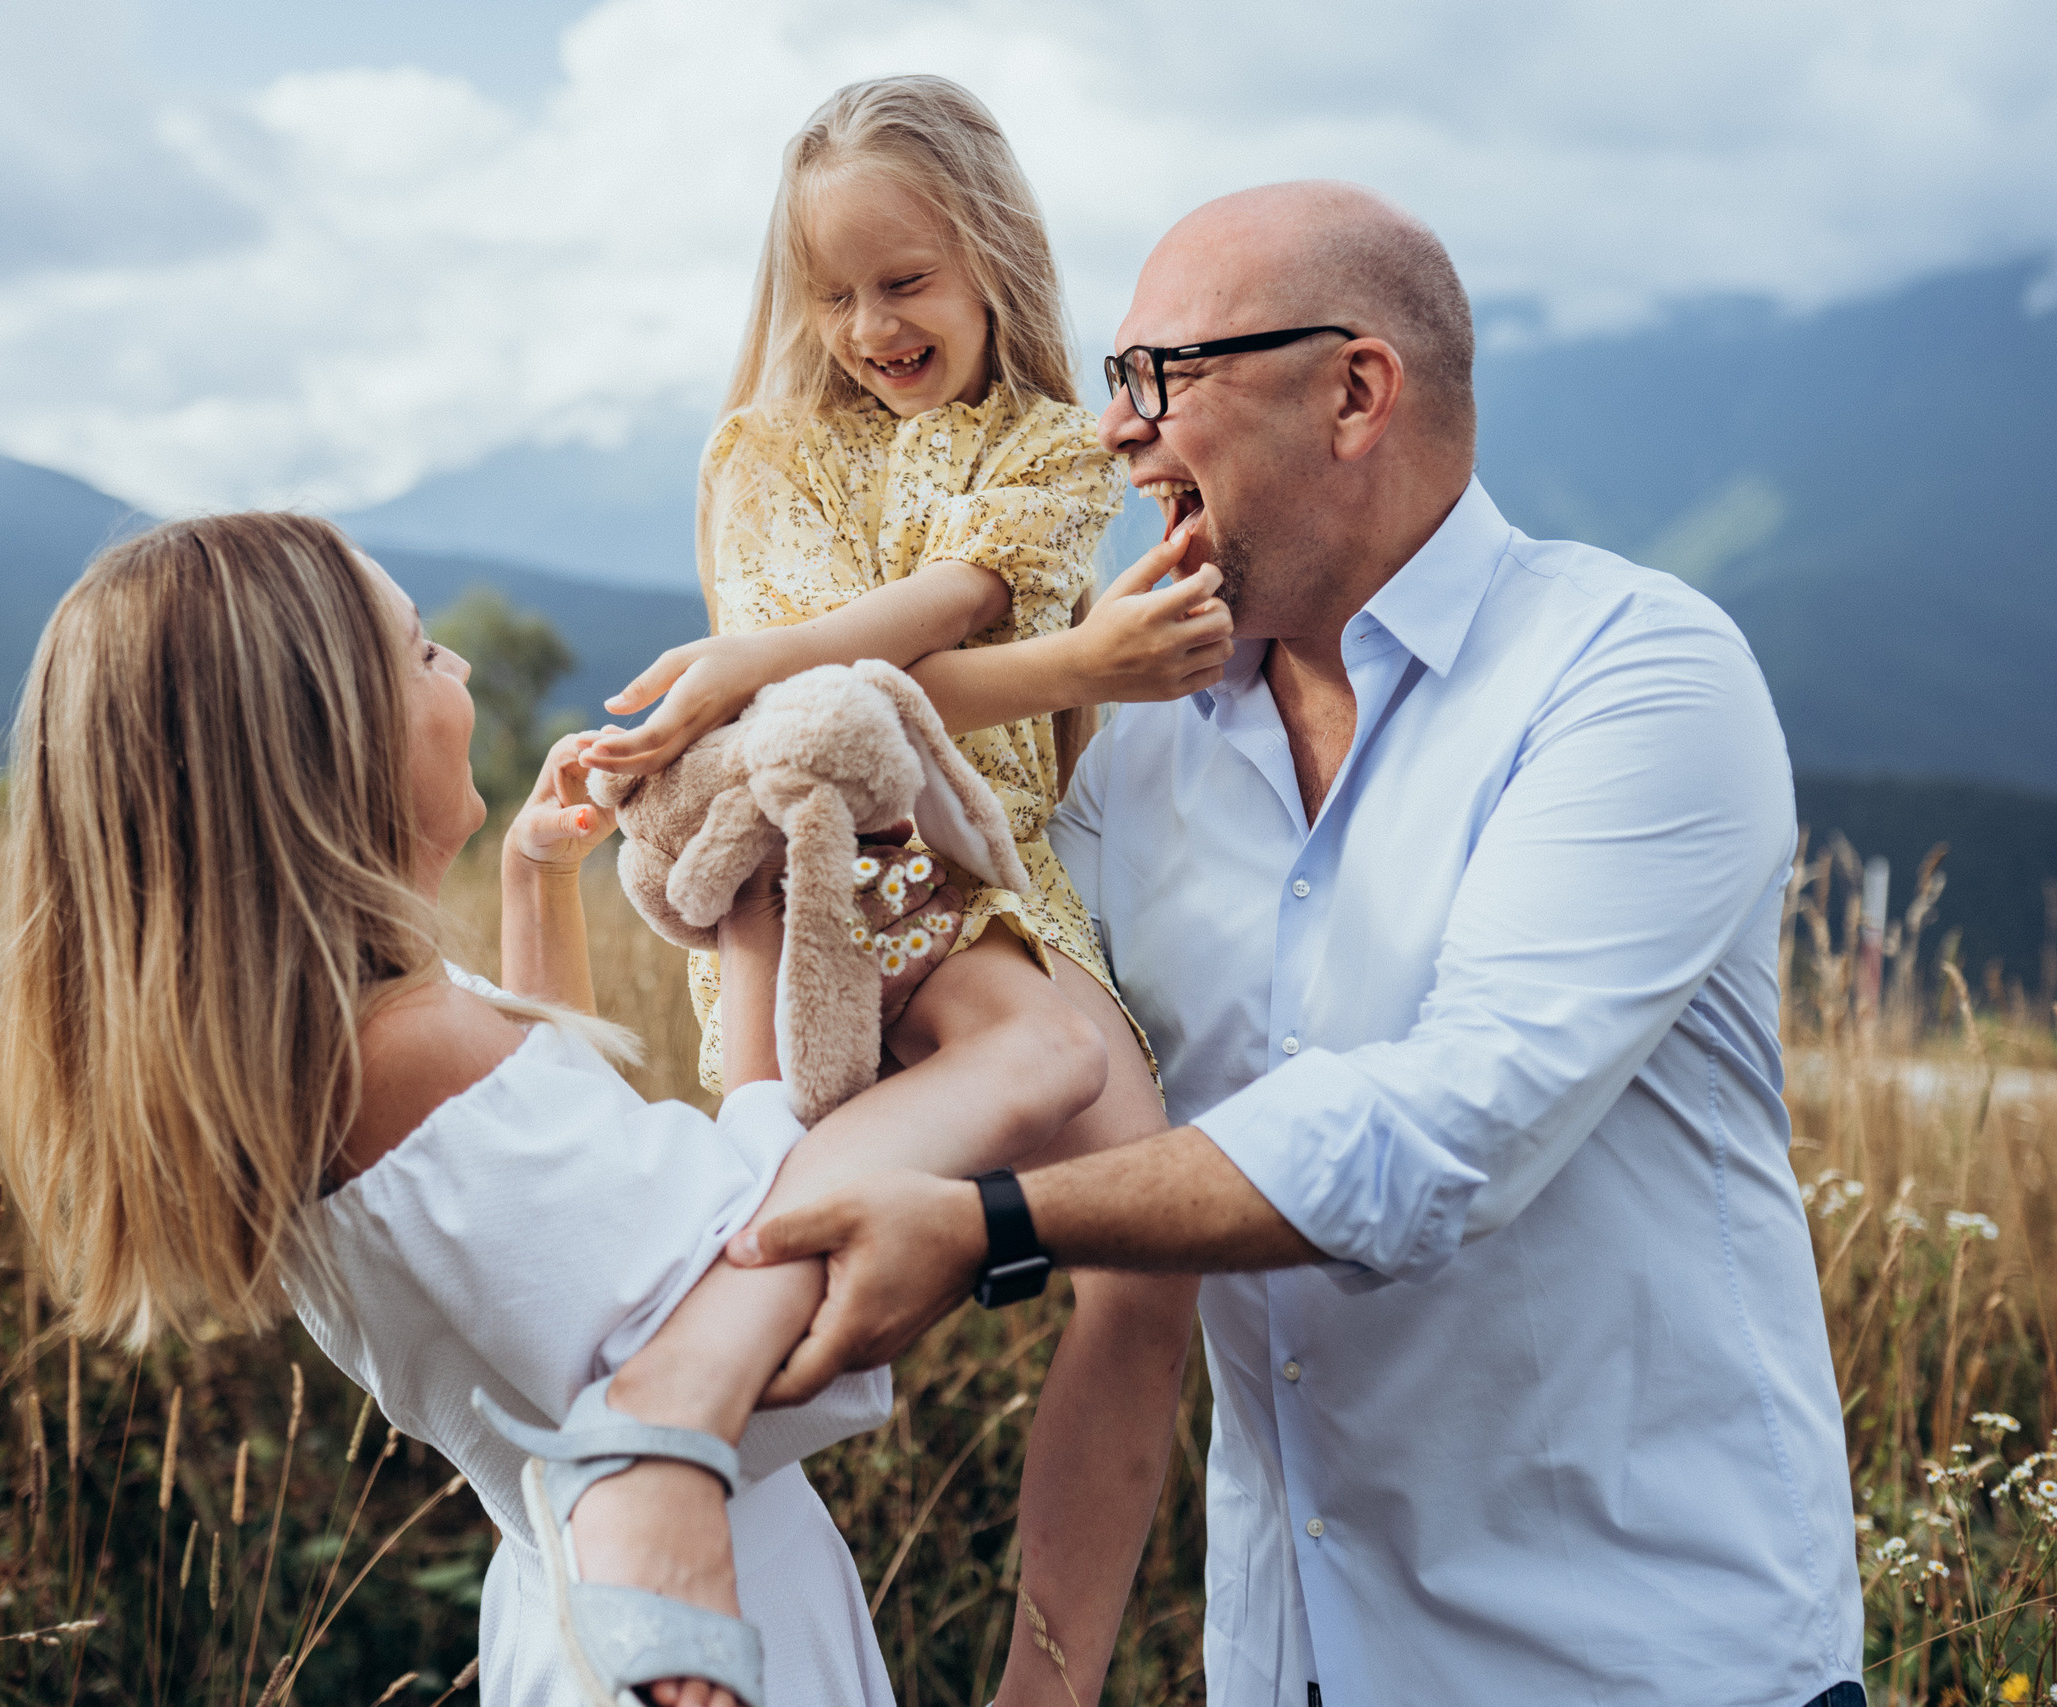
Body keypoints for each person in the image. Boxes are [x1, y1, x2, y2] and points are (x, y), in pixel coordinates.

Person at [729, 182, 1867, 1707]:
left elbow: (1448, 1126)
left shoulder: (1632, 672)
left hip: (1637, 1659)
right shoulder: (1138, 744)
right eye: (1115, 378)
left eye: (1163, 379)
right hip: (1293, 1662)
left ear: (1353, 390)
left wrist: (992, 1221)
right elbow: (982, 1002)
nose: (1119, 430)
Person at [0, 513, 1179, 1707]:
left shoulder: (335, 1056)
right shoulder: (405, 1053)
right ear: (322, 748)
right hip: (692, 1612)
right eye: (418, 655)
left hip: (583, 1598)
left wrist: (536, 881)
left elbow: (558, 1244)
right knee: (1049, 1055)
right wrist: (759, 934)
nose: (455, 670)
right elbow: (748, 1266)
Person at [583, 76, 1231, 1701]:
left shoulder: (1049, 450)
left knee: (1150, 1235)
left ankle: (1047, 1678)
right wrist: (1080, 667)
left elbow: (943, 613)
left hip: (993, 877)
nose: (870, 322)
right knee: (1034, 1059)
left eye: (905, 280)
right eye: (835, 291)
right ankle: (692, 1372)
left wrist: (761, 660)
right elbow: (829, 726)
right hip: (830, 861)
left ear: (993, 258)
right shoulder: (769, 450)